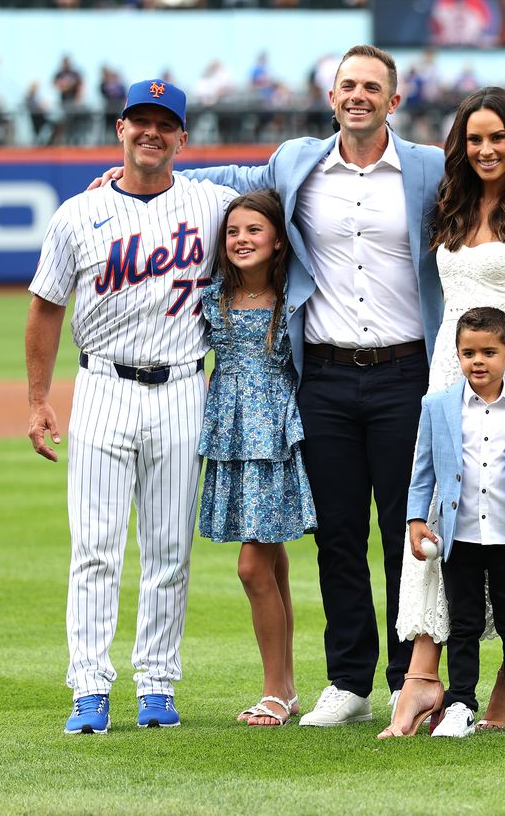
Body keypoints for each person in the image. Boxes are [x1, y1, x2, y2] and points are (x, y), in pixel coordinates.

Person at [93, 46, 505, 728]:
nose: (358, 96)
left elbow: (497, 183)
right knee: (338, 535)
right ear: (332, 96)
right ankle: (348, 681)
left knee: (408, 531)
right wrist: (140, 175)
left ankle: (410, 679)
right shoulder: (297, 162)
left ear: (393, 100)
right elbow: (231, 179)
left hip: (409, 370)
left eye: (372, 87)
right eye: (348, 84)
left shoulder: (428, 168)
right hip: (322, 372)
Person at [26, 79, 238, 734]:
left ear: (182, 137)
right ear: (120, 128)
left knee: (169, 550)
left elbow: (279, 197)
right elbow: (45, 307)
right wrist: (38, 398)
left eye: (164, 124)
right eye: (140, 121)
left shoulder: (213, 204)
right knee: (95, 548)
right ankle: (89, 686)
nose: (152, 133)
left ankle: (157, 683)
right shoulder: (76, 214)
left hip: (182, 387)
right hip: (102, 388)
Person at [381, 86, 505, 738]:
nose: (486, 149)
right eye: (474, 139)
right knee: (446, 510)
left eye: (497, 137)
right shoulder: (450, 207)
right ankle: (426, 678)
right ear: (460, 146)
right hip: (450, 369)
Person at [405, 307, 505, 739]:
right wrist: (416, 519)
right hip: (460, 538)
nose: (478, 361)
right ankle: (459, 705)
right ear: (457, 355)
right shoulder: (438, 406)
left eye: (489, 352)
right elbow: (423, 470)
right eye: (469, 352)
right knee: (464, 624)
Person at [196, 189, 317, 727]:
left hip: (276, 439)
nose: (241, 240)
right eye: (233, 232)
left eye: (253, 230)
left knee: (252, 567)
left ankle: (274, 690)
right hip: (231, 435)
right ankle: (286, 688)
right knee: (271, 561)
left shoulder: (296, 298)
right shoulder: (212, 298)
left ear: (278, 240)